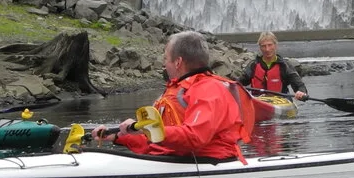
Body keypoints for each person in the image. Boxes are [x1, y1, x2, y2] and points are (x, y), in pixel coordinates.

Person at [92, 31, 254, 161]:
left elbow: (194, 138)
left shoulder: (208, 89)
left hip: (207, 162)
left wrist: (145, 127)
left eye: (166, 58)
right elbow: (156, 140)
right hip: (175, 160)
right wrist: (118, 137)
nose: (164, 64)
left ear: (178, 62)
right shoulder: (174, 91)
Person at [239, 31, 308, 101]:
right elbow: (239, 83)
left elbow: (299, 85)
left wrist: (301, 92)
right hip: (258, 101)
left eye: (270, 45)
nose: (267, 49)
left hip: (280, 102)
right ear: (260, 48)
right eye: (263, 46)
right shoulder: (253, 65)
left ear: (275, 45)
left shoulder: (284, 66)